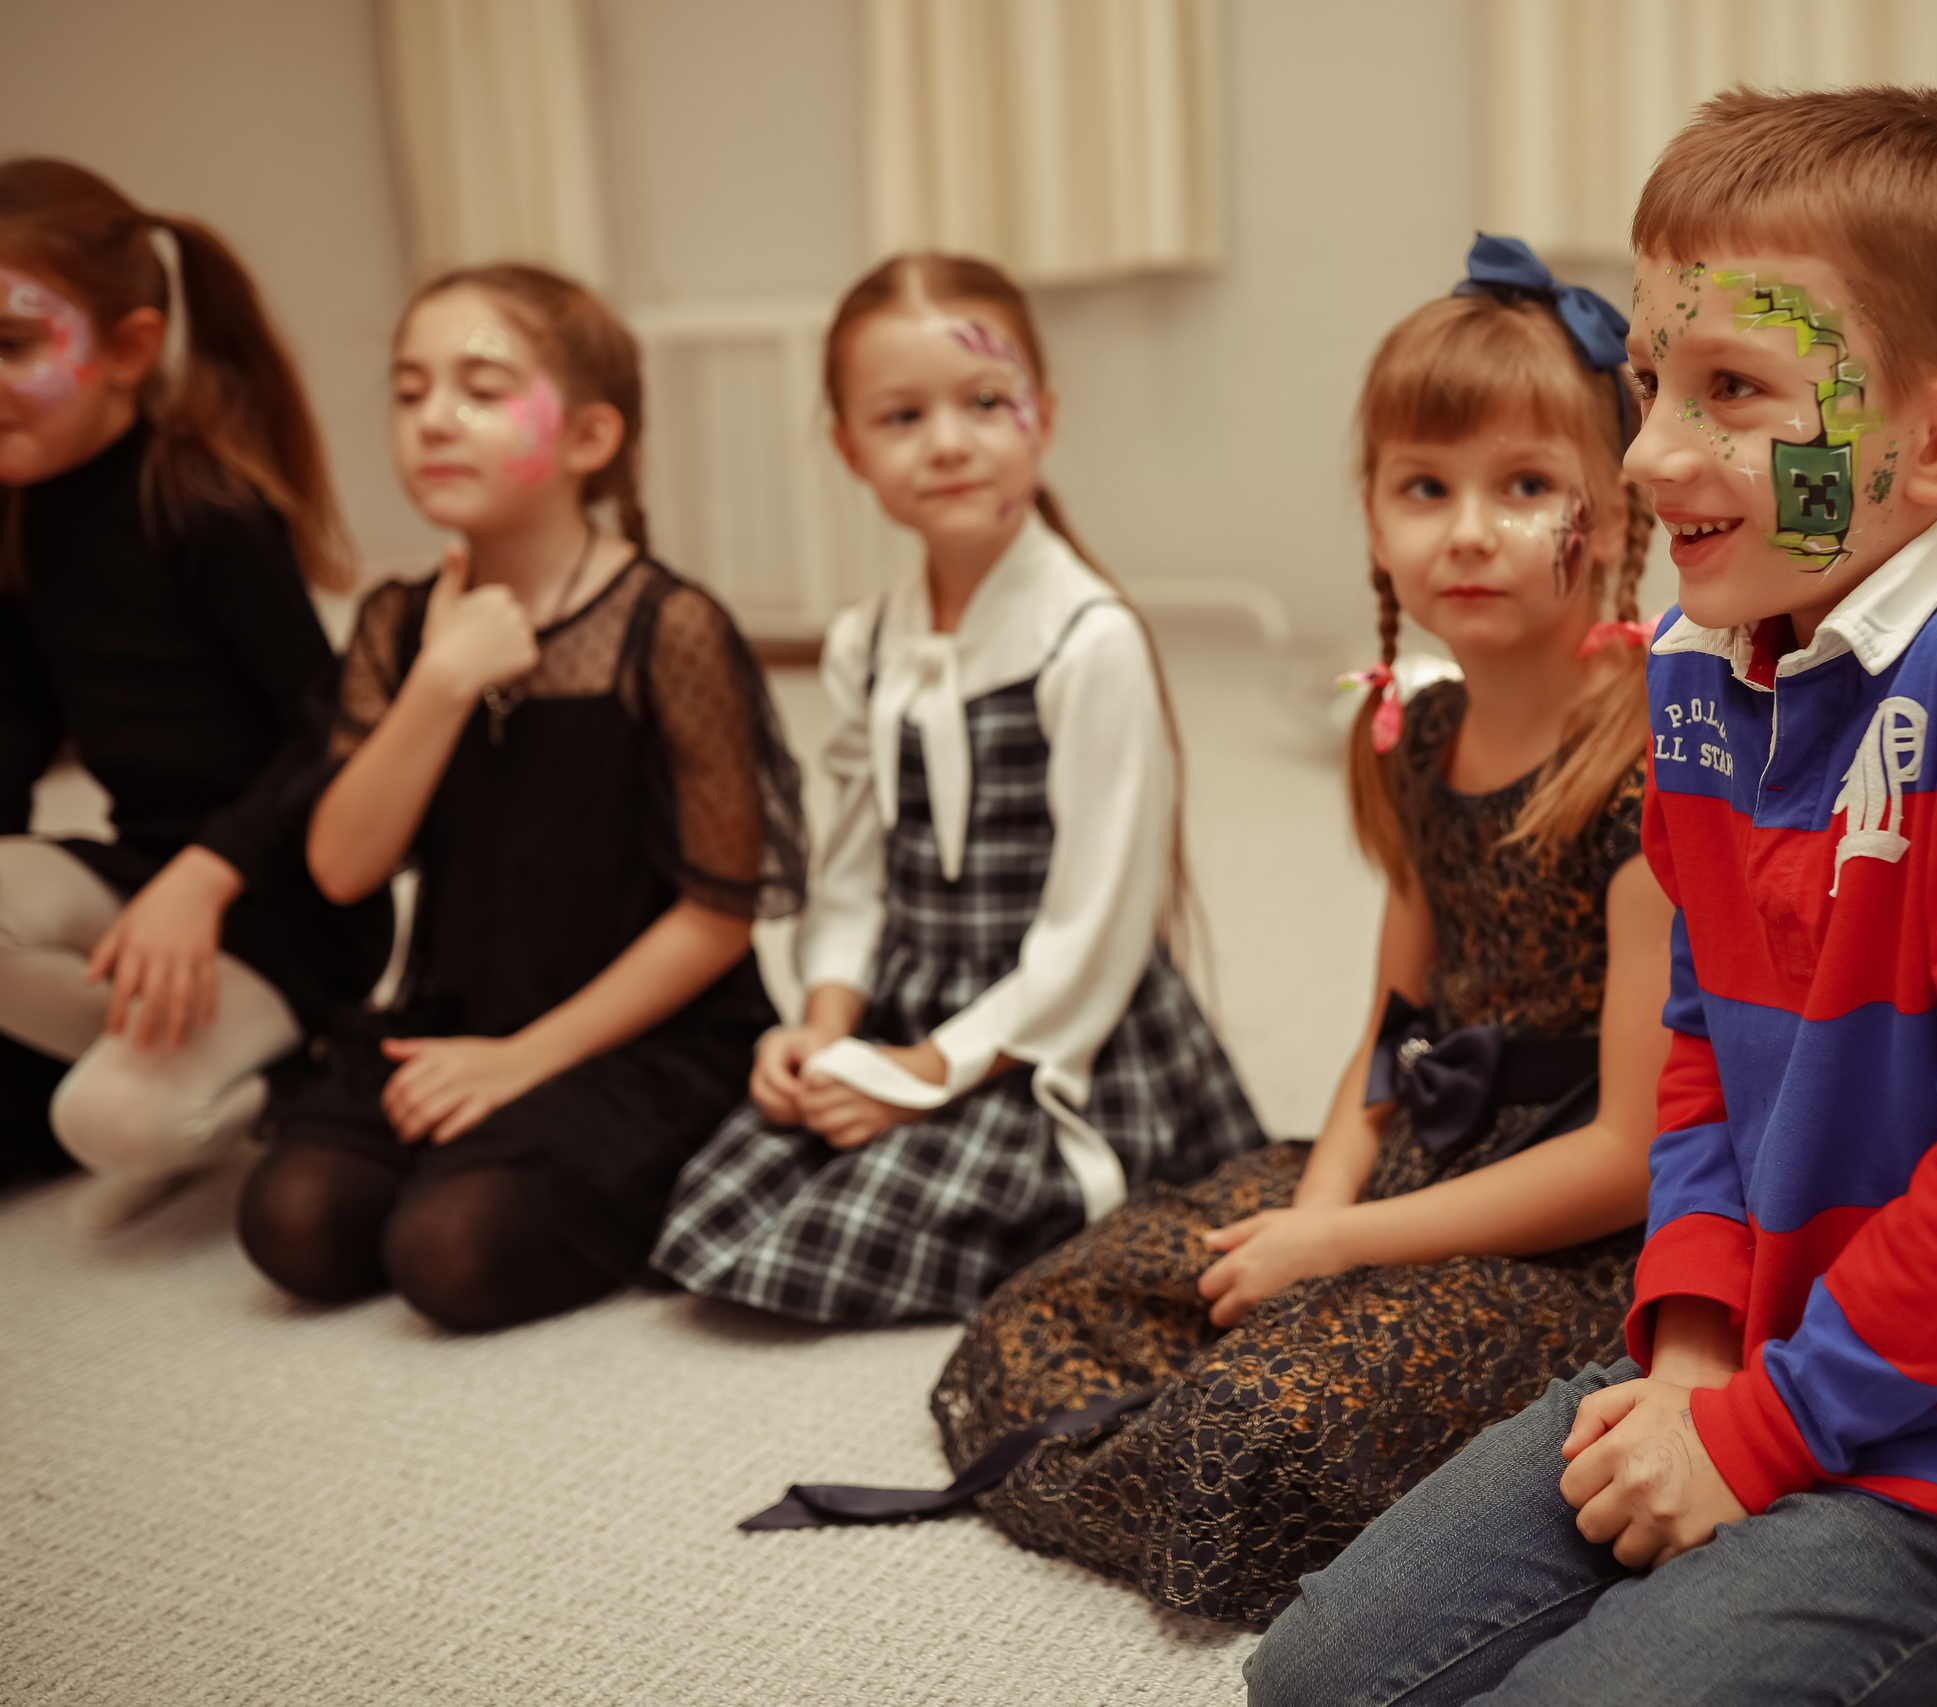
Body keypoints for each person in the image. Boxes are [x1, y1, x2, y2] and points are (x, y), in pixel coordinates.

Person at [1247, 87, 1937, 1707]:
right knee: (1316, 1677)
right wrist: (1696, 1334)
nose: (1646, 455)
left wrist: (1765, 1436)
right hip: (1764, 1354)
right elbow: (1702, 1023)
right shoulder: (1703, 669)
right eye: (1647, 382)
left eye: (1732, 391)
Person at [926, 237, 1673, 1626]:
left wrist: (1332, 1253)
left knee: (1247, 1430)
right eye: (1423, 488)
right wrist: (1321, 1204)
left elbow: (1630, 1157)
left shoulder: (1646, 777)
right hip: (1412, 1156)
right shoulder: (1410, 732)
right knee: (1047, 1305)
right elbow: (1393, 1034)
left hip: (1568, 1236)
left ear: (1619, 512)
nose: (1468, 529)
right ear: (1374, 514)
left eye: (1527, 488)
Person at [650, 253, 1261, 1327]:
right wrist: (829, 1027)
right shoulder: (865, 640)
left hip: (1048, 1029)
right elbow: (851, 872)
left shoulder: (1088, 640)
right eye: (900, 416)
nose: (947, 442)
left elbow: (1094, 930)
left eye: (985, 402)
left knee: (829, 1242)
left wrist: (930, 1069)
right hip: (908, 998)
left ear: (1043, 414)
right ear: (847, 447)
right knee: (717, 1208)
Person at [233, 263, 804, 1333]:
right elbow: (341, 867)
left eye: (480, 390)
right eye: (410, 393)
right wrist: (441, 684)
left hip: (637, 1030)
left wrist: (521, 1064)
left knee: (446, 1252)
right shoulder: (399, 624)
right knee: (295, 1222)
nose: (433, 420)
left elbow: (720, 915)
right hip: (464, 1005)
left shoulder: (666, 627)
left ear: (588, 439)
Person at [0, 158, 391, 1222]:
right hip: (137, 874)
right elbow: (17, 726)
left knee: (111, 1127)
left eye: (12, 345)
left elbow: (331, 725)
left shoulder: (207, 506)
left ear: (128, 349)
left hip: (278, 910)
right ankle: (147, 1045)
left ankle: (294, 1068)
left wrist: (209, 874)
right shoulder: (21, 510)